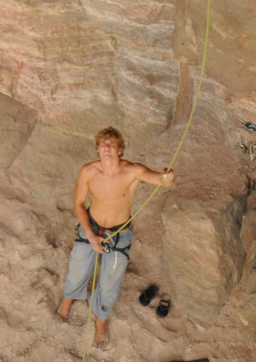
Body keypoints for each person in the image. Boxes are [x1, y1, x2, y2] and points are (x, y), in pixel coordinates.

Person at [57, 126, 174, 346]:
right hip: (91, 226)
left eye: (112, 144)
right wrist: (91, 236)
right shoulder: (88, 172)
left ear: (120, 150)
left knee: (110, 281)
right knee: (78, 266)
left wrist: (168, 176)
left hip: (119, 233)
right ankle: (68, 298)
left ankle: (101, 318)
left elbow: (163, 182)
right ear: (97, 150)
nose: (107, 147)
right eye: (102, 144)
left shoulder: (133, 171)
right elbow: (79, 204)